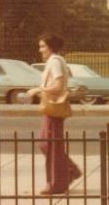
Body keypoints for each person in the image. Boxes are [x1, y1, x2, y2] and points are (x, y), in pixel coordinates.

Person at [26, 33, 81, 195]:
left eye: (43, 46)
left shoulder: (55, 61)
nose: (40, 49)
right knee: (48, 144)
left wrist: (38, 89)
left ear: (51, 47)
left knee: (50, 145)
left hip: (53, 106)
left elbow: (57, 86)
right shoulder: (56, 60)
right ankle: (70, 171)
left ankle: (56, 184)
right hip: (52, 106)